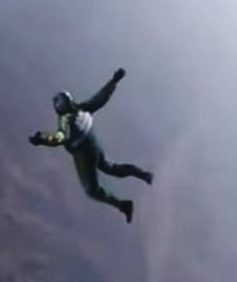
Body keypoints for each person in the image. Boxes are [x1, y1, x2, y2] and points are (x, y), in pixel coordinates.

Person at [29, 68, 153, 223]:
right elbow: (99, 99)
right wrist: (113, 82)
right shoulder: (82, 108)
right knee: (111, 168)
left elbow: (60, 137)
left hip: (82, 153)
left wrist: (42, 139)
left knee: (92, 190)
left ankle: (122, 204)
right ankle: (143, 175)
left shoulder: (66, 120)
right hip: (93, 143)